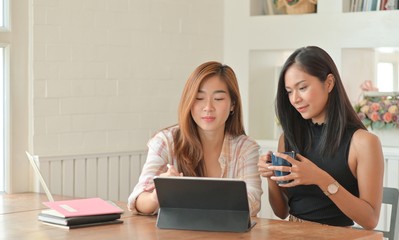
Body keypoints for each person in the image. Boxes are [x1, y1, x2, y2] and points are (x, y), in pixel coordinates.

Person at [258, 46, 384, 229]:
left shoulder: (363, 142)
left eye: (302, 88)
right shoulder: (288, 138)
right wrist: (271, 176)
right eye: (289, 91)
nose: (295, 99)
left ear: (329, 83)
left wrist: (320, 179)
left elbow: (370, 220)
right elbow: (281, 211)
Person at [128, 61, 262, 217]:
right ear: (189, 102)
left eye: (218, 99)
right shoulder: (166, 141)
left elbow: (252, 202)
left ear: (233, 104)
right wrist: (157, 194)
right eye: (199, 98)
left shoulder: (245, 148)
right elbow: (138, 200)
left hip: (229, 238)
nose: (208, 107)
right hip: (177, 237)